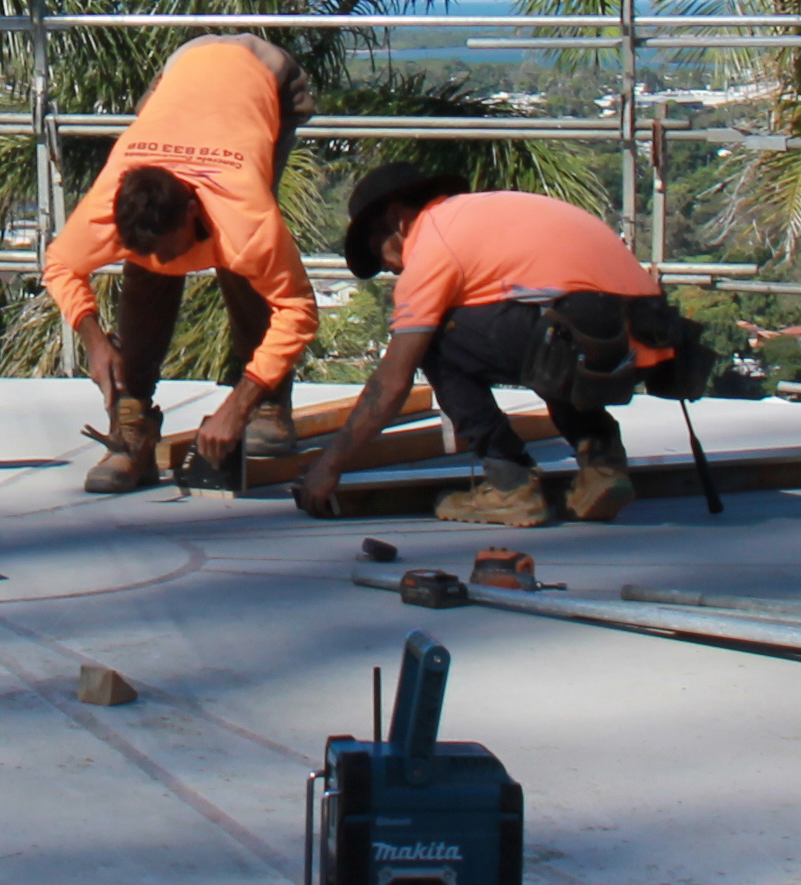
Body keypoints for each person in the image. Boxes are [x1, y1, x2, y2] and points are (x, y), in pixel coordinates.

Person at [287, 161, 684, 528]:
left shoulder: (432, 241)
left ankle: (508, 484)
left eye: (379, 252)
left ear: (396, 218)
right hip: (648, 336)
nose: (392, 268)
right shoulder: (489, 212)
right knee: (549, 335)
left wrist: (330, 466)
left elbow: (392, 383)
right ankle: (602, 465)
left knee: (435, 339)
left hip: (579, 335)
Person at [38, 31, 316, 491]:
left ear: (192, 212)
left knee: (247, 268)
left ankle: (269, 403)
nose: (168, 262)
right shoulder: (107, 205)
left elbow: (299, 308)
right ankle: (134, 425)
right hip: (182, 69)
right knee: (145, 270)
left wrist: (240, 402)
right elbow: (60, 265)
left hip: (267, 75)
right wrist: (94, 339)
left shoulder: (246, 220)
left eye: (171, 248)